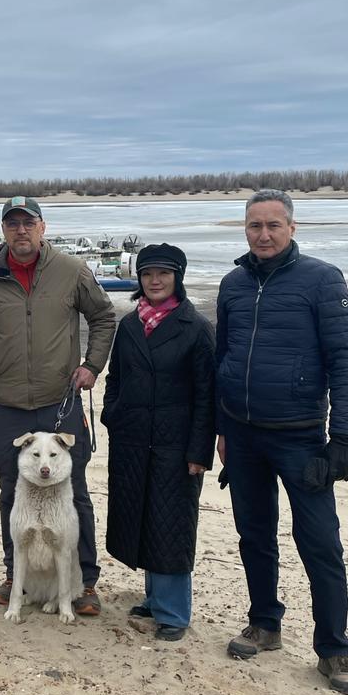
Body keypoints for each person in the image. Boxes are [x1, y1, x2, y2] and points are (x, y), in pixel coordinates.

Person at [216, 188, 348, 695]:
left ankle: (335, 650)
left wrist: (341, 438)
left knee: (319, 542)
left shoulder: (322, 281)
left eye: (273, 225)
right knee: (254, 534)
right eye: (255, 225)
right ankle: (265, 622)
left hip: (301, 437)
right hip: (243, 432)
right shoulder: (233, 284)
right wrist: (221, 430)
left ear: (292, 228)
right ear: (245, 229)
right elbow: (223, 358)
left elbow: (344, 361)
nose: (263, 234)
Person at [0, 196, 116, 614]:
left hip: (59, 402)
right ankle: (16, 574)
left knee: (73, 490)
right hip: (7, 405)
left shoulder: (71, 270)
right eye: (12, 224)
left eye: (28, 223)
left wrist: (92, 365)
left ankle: (84, 582)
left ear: (42, 227)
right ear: (4, 230)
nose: (20, 231)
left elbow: (103, 317)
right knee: (12, 490)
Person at [102, 243, 215, 640]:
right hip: (133, 438)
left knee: (171, 523)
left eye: (164, 273)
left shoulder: (196, 328)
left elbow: (207, 395)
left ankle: (173, 613)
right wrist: (111, 414)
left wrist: (200, 450)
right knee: (143, 516)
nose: (155, 280)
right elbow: (116, 376)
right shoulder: (130, 324)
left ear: (177, 278)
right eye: (148, 273)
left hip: (176, 444)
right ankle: (154, 599)